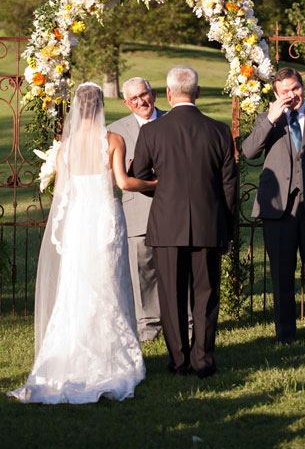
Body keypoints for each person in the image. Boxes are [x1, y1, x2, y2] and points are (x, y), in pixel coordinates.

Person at [8, 83, 155, 403]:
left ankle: (71, 355)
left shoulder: (66, 147)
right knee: (108, 285)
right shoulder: (114, 140)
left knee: (75, 288)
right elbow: (125, 182)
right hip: (104, 219)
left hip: (78, 222)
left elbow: (65, 193)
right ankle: (109, 357)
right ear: (101, 106)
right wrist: (156, 182)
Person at [132, 66, 238, 378]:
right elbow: (229, 184)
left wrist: (165, 191)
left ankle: (179, 361)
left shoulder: (151, 132)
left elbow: (139, 176)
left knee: (171, 296)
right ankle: (203, 360)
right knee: (205, 295)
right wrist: (226, 227)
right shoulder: (218, 130)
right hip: (209, 225)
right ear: (198, 92)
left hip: (166, 225)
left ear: (167, 94)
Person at [242, 67, 305, 345]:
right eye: (285, 91)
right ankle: (284, 335)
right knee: (281, 275)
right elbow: (248, 152)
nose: (291, 95)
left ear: (302, 86)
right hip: (278, 210)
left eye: (295, 88)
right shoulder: (267, 119)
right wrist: (270, 119)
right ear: (276, 95)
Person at [107, 77, 167, 342]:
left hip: (173, 207)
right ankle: (149, 326)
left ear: (153, 93)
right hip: (136, 210)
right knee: (142, 270)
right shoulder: (115, 130)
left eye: (144, 95)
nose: (142, 102)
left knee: (181, 268)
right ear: (126, 103)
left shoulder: (172, 120)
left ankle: (187, 322)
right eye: (134, 99)